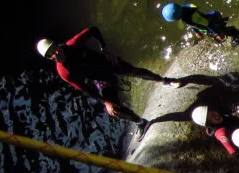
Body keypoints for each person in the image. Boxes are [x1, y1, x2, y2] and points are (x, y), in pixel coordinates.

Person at [35, 27, 183, 141]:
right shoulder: (64, 72)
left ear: (57, 45)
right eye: (51, 55)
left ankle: (164, 81)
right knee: (114, 110)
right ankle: (141, 122)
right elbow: (85, 89)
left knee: (135, 71)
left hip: (108, 63)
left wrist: (104, 49)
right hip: (101, 79)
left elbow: (93, 30)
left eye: (54, 50)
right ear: (49, 58)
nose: (56, 54)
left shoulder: (73, 44)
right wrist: (106, 102)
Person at [161, 2, 239, 44]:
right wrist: (196, 32)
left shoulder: (190, 17)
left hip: (213, 22)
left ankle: (238, 35)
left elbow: (207, 23)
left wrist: (217, 33)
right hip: (209, 20)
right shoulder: (185, 8)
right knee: (217, 38)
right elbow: (193, 24)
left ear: (176, 18)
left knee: (224, 31)